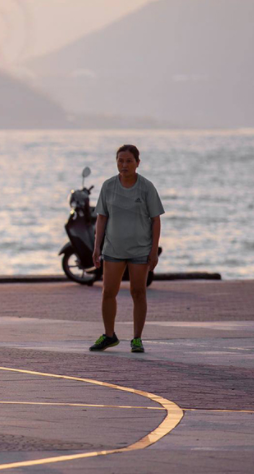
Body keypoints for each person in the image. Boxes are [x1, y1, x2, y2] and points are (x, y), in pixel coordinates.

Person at [90, 144, 164, 354]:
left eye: (129, 161)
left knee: (138, 292)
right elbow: (102, 218)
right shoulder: (108, 186)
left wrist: (153, 251)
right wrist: (97, 247)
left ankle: (137, 339)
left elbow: (156, 220)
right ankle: (109, 335)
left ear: (137, 163)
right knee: (108, 292)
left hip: (140, 250)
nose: (124, 165)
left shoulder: (146, 187)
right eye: (120, 161)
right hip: (113, 249)